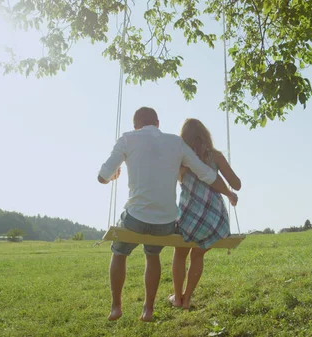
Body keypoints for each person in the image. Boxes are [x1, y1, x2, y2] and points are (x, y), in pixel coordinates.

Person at [97, 107, 238, 322]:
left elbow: (102, 176)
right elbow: (207, 174)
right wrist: (228, 192)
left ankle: (116, 306)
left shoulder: (128, 138)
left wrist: (112, 176)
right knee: (152, 255)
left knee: (119, 251)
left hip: (135, 218)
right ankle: (148, 309)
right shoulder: (176, 143)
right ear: (158, 123)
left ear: (136, 125)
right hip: (165, 222)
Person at [169, 118, 242, 310]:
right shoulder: (215, 156)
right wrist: (223, 170)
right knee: (198, 255)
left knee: (179, 253)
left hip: (188, 221)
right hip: (215, 221)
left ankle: (177, 298)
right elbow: (237, 184)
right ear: (205, 135)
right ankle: (187, 299)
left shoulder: (180, 159)